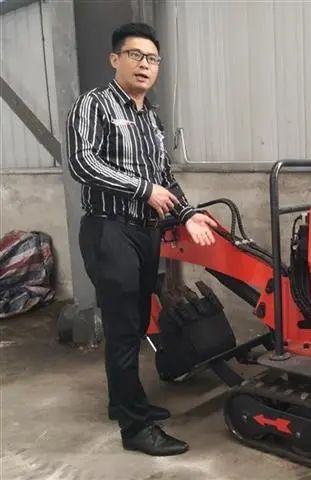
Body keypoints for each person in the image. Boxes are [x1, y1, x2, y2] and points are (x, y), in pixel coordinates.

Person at [65, 22, 217, 456]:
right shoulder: (94, 104)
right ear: (115, 59)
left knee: (134, 322)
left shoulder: (151, 117)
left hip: (145, 233)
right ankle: (135, 430)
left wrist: (188, 213)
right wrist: (142, 189)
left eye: (152, 59)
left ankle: (123, 403)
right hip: (109, 229)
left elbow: (164, 177)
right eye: (135, 55)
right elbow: (81, 162)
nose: (144, 65)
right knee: (123, 328)